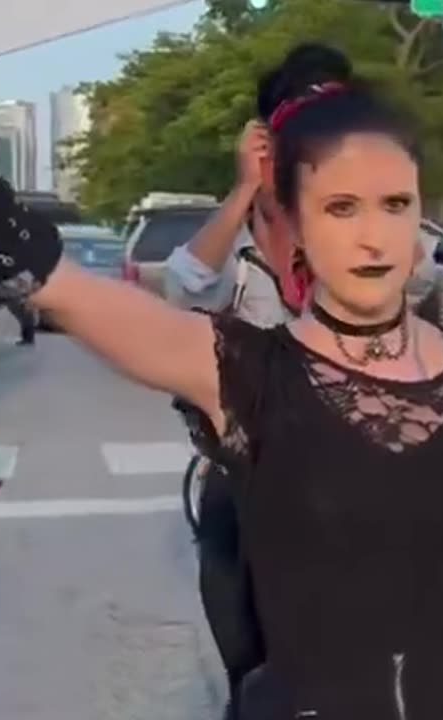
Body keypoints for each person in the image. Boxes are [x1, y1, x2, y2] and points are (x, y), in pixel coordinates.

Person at [0, 42, 443, 720]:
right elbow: (57, 282)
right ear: (293, 218)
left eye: (395, 205)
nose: (374, 237)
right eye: (341, 208)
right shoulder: (242, 371)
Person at [163, 68, 315, 719]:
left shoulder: (353, 236)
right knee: (248, 676)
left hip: (338, 487)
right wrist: (245, 188)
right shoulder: (237, 251)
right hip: (241, 480)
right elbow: (184, 285)